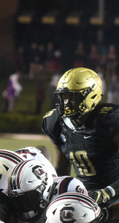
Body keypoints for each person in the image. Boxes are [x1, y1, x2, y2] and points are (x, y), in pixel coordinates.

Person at [41, 67, 119, 206]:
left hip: (115, 197)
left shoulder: (109, 120)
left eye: (74, 97)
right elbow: (61, 170)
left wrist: (107, 192)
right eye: (64, 97)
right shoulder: (56, 122)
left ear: (92, 95)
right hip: (84, 198)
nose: (67, 103)